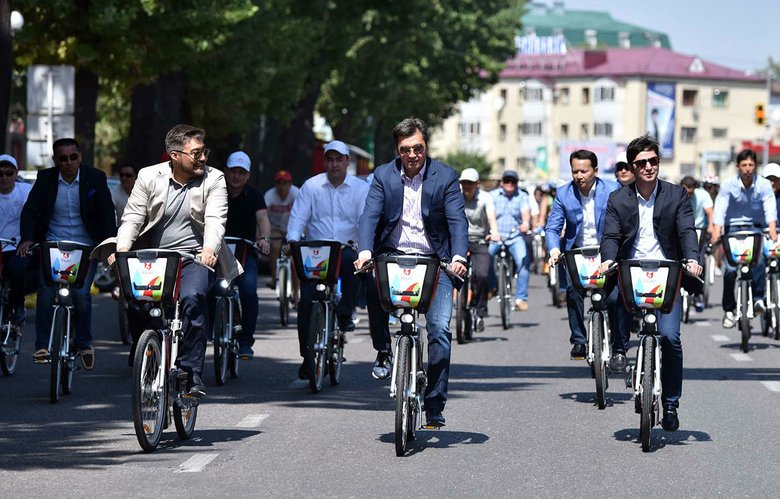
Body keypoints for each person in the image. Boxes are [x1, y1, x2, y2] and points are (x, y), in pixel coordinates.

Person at [105, 124, 240, 397]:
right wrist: (121, 249)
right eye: (196, 153)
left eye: (205, 152)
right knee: (137, 305)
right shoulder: (148, 176)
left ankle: (190, 374)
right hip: (153, 258)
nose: (203, 158)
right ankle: (146, 349)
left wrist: (210, 249)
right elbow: (132, 218)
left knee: (193, 299)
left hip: (194, 258)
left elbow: (215, 219)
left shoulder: (214, 179)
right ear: (174, 156)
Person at [355, 117, 468, 428]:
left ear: (426, 147)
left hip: (436, 260)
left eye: (418, 148)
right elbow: (369, 217)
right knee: (370, 281)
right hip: (393, 256)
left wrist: (458, 255)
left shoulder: (445, 176)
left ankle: (434, 404)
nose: (413, 155)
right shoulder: (382, 176)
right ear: (398, 151)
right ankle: (383, 350)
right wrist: (365, 251)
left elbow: (458, 221)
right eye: (406, 150)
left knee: (440, 330)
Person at [599, 134, 702, 432]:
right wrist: (608, 259)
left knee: (670, 337)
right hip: (630, 272)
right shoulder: (618, 198)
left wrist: (692, 258)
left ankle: (670, 402)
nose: (648, 167)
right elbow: (611, 236)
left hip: (667, 273)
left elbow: (686, 230)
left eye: (653, 161)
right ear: (632, 167)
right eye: (642, 163)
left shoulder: (676, 194)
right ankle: (620, 350)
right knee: (615, 299)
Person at [18, 138, 116, 370]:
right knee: (46, 291)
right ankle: (42, 346)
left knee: (82, 294)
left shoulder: (95, 178)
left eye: (73, 157)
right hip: (53, 245)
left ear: (80, 157)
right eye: (63, 158)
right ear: (55, 160)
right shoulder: (45, 179)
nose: (69, 162)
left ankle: (84, 344)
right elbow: (30, 211)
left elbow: (105, 215)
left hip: (86, 248)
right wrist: (28, 239)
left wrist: (108, 245)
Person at [287, 140, 369, 379]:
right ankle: (307, 356)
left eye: (339, 159)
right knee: (307, 302)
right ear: (325, 162)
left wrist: (366, 249)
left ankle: (345, 312)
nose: (334, 164)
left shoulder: (360, 188)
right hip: (317, 251)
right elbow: (298, 218)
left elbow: (365, 221)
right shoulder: (311, 187)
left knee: (352, 263)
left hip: (346, 248)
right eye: (330, 160)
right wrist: (292, 241)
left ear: (347, 161)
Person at [545, 149, 626, 367]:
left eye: (584, 171)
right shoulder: (563, 193)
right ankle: (579, 340)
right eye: (575, 171)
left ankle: (619, 348)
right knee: (572, 291)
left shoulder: (612, 190)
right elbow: (552, 227)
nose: (579, 176)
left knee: (615, 298)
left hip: (607, 252)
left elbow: (625, 221)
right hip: (578, 253)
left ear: (595, 171)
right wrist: (554, 250)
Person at [713, 149, 778, 328]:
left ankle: (758, 299)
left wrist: (772, 230)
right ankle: (728, 310)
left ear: (755, 166)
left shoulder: (764, 185)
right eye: (744, 165)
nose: (748, 169)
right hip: (732, 229)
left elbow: (769, 207)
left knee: (759, 261)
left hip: (755, 229)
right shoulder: (728, 185)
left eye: (751, 165)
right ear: (737, 167)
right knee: (730, 270)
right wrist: (717, 230)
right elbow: (720, 208)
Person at [222, 151, 271, 359]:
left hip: (245, 252)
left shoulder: (255, 195)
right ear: (226, 171)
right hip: (217, 251)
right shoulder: (216, 192)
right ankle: (210, 328)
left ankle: (245, 340)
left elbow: (263, 218)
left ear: (248, 175)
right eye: (233, 171)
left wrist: (265, 238)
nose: (236, 176)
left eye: (241, 172)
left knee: (249, 291)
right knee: (206, 289)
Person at [459, 167, 500, 331]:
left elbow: (491, 217)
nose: (466, 187)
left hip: (480, 240)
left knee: (482, 275)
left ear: (477, 184)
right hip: (460, 241)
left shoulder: (485, 198)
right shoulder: (456, 196)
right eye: (463, 183)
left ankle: (481, 312)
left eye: (469, 183)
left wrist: (494, 231)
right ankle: (458, 301)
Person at [489, 170, 531, 311]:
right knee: (486, 257)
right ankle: (492, 287)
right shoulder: (492, 196)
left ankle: (520, 298)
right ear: (502, 182)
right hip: (496, 236)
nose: (510, 184)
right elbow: (488, 213)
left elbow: (525, 213)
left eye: (513, 181)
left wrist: (525, 223)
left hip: (515, 236)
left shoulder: (522, 196)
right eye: (507, 181)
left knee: (523, 262)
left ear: (517, 183)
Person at [0, 154, 32, 325]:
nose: (4, 177)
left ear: (15, 173)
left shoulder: (25, 191)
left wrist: (28, 239)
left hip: (17, 245)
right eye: (0, 173)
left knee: (17, 269)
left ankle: (18, 306)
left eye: (8, 173)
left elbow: (33, 215)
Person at [264, 169, 299, 299]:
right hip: (275, 227)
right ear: (275, 184)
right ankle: (275, 279)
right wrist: (262, 234)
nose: (282, 186)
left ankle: (296, 293)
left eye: (285, 183)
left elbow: (304, 213)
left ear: (290, 184)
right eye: (279, 183)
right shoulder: (270, 195)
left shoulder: (296, 193)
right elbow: (263, 215)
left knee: (294, 258)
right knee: (274, 246)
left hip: (292, 228)